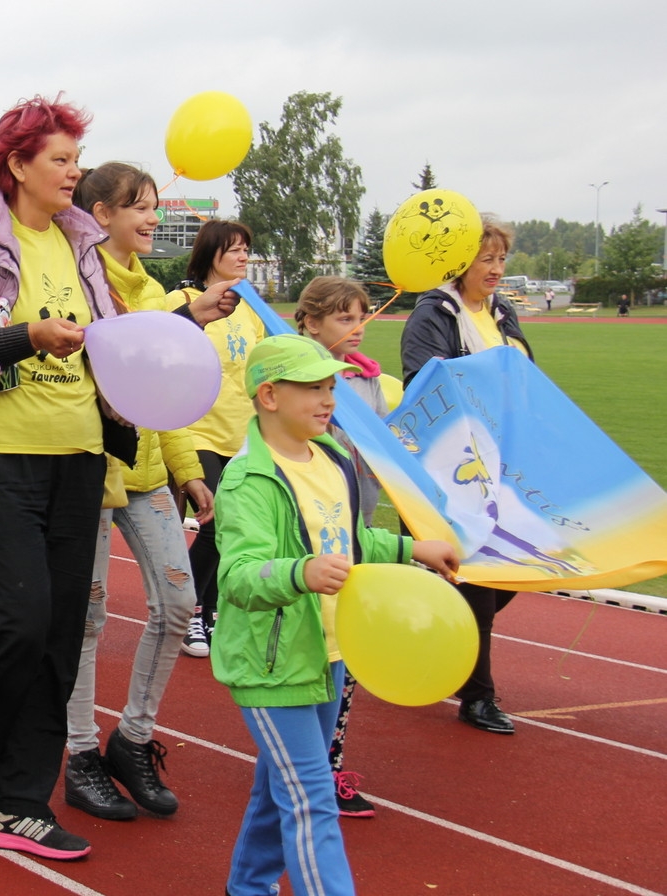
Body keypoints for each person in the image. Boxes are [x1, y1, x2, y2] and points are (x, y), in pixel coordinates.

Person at [0, 97, 238, 860]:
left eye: (76, 159)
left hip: (81, 463)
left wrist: (187, 321)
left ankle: (21, 803)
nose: (74, 172)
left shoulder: (79, 243)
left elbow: (112, 340)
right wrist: (27, 337)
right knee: (13, 626)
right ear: (17, 164)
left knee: (59, 639)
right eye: (60, 159)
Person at [214, 333, 459, 896]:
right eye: (314, 389)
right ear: (269, 396)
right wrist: (300, 572)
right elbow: (237, 576)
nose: (329, 399)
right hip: (272, 664)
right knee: (312, 797)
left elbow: (346, 541)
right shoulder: (249, 478)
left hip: (328, 652)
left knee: (283, 787)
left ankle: (246, 887)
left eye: (331, 387)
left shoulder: (333, 458)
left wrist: (409, 548)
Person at [62, 163, 214, 822]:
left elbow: (167, 393)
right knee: (88, 621)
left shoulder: (152, 286)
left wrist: (187, 470)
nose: (153, 218)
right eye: (140, 207)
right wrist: (185, 311)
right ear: (100, 213)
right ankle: (79, 754)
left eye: (154, 207)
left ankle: (134, 738)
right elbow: (120, 347)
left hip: (149, 473)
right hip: (94, 474)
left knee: (179, 603)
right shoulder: (82, 280)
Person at [400, 215, 532, 735]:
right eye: (486, 258)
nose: (496, 268)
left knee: (509, 571)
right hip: (452, 468)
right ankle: (477, 696)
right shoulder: (434, 314)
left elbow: (527, 378)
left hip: (503, 464)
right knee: (476, 578)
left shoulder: (503, 312)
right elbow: (423, 383)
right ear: (459, 261)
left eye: (501, 258)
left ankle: (423, 620)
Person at [295, 275, 392, 818]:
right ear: (310, 321)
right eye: (344, 318)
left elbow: (379, 448)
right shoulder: (299, 376)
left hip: (358, 527)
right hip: (313, 532)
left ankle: (326, 765)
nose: (358, 328)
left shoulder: (368, 379)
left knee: (345, 655)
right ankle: (309, 766)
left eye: (362, 317)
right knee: (313, 651)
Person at [166, 220, 264, 658]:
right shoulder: (182, 302)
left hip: (240, 433)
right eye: (235, 250)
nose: (244, 257)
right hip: (196, 428)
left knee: (235, 530)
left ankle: (208, 611)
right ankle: (187, 610)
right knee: (213, 525)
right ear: (211, 255)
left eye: (247, 250)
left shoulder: (250, 308)